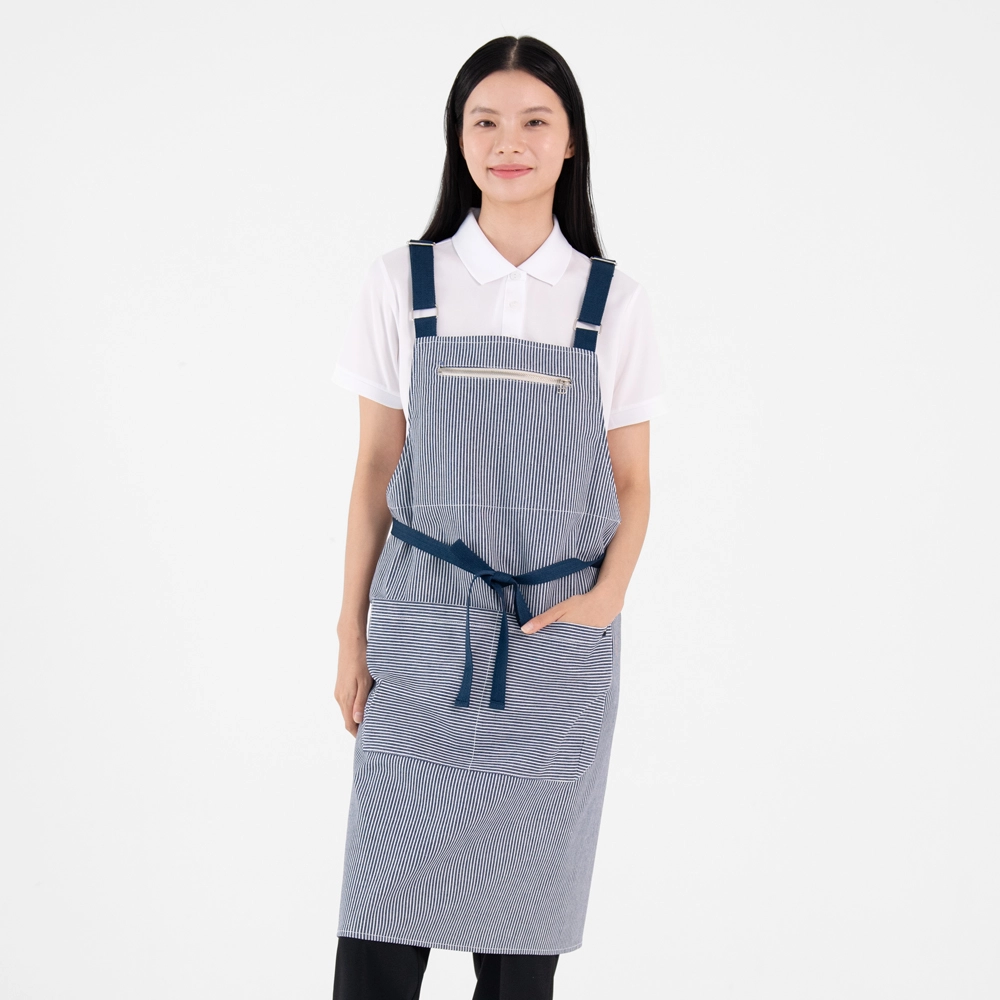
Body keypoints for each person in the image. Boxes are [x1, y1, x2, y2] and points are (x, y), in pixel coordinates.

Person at [330, 34, 666, 1000]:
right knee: (378, 941)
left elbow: (633, 480)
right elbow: (376, 465)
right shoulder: (404, 282)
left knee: (522, 957)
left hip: (555, 642)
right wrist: (351, 633)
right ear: (459, 138)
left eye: (533, 121)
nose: (507, 141)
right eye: (485, 121)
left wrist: (607, 599)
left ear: (571, 142)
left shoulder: (613, 301)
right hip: (423, 633)